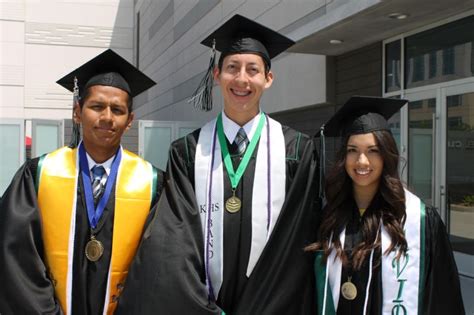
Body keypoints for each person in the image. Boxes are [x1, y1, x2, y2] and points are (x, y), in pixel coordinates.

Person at [116, 14, 320, 314]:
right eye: (232, 68)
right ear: (216, 75)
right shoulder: (186, 152)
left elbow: (298, 238)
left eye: (253, 70)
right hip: (204, 306)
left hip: (276, 305)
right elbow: (175, 242)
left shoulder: (297, 150)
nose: (241, 79)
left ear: (268, 78)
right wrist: (203, 306)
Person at [0, 49, 165, 315]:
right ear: (78, 112)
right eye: (97, 107)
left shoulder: (152, 183)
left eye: (118, 110)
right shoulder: (39, 174)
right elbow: (16, 255)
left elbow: (159, 265)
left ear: (130, 121)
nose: (107, 117)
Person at [309, 96, 465, 314]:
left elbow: (442, 295)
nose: (361, 161)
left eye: (373, 151)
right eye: (352, 150)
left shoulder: (417, 220)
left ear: (386, 155)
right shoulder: (330, 216)